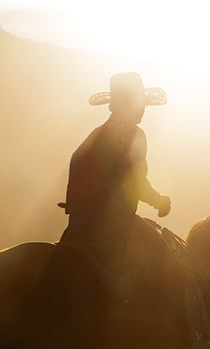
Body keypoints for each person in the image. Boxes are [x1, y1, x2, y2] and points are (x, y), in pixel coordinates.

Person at [59, 72, 171, 264]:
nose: (142, 109)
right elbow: (135, 182)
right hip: (110, 225)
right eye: (140, 104)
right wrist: (160, 201)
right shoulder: (134, 134)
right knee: (160, 260)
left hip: (78, 223)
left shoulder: (96, 134)